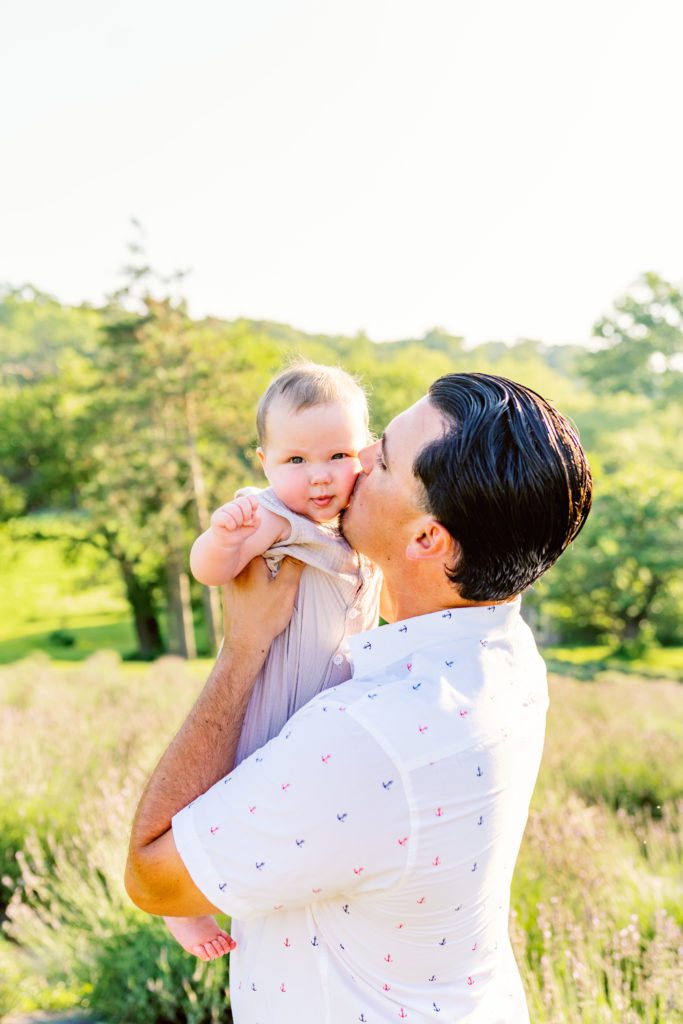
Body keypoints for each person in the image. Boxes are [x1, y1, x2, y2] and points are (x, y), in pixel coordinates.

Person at [126, 372, 592, 1024]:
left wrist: (243, 649)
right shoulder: (504, 653)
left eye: (381, 458)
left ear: (427, 538)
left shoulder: (364, 739)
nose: (355, 460)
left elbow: (151, 878)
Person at [164, 361, 381, 960]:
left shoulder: (359, 523)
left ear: (366, 450)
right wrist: (223, 539)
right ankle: (182, 905)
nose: (319, 476)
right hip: (273, 694)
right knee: (226, 790)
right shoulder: (270, 516)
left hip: (329, 699)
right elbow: (209, 570)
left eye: (338, 455)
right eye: (296, 461)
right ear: (264, 462)